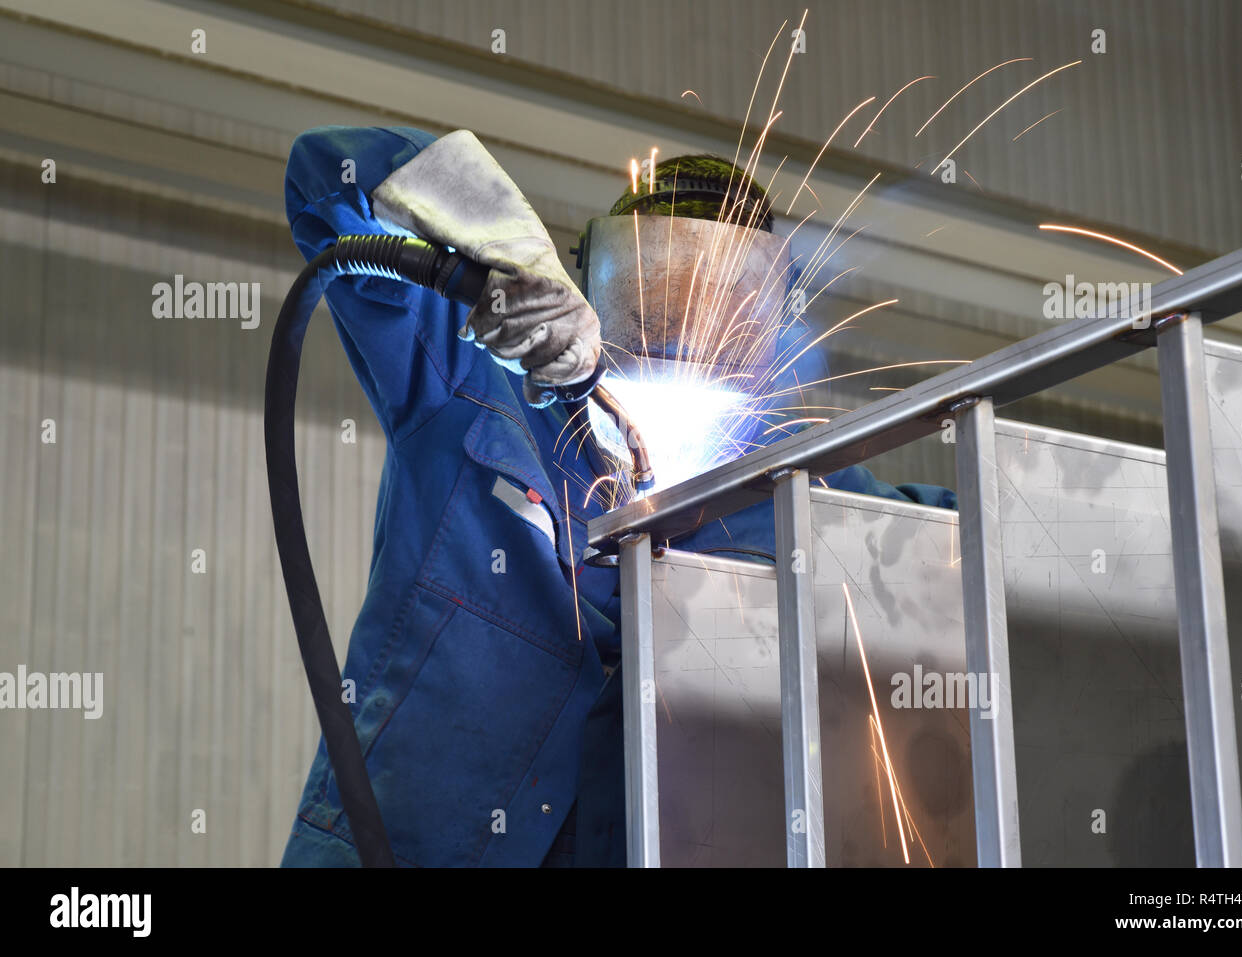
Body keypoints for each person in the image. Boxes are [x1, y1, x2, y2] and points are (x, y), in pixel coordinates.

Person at [279, 125, 955, 867]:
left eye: (709, 304)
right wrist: (484, 244)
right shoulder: (480, 385)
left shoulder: (807, 498)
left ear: (768, 320)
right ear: (589, 278)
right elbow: (325, 180)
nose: (673, 336)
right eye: (649, 294)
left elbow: (984, 545)